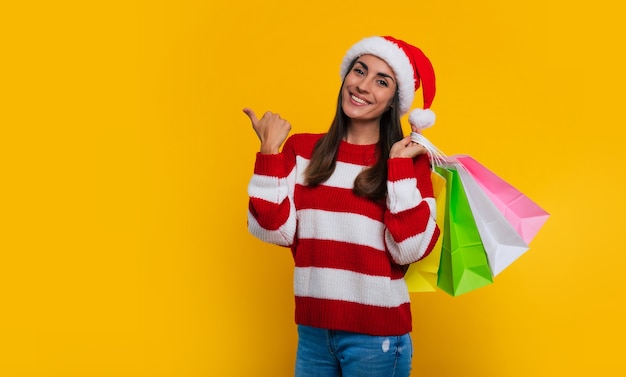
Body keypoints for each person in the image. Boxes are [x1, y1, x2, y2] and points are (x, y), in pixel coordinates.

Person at [243, 36, 440, 377]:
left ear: (394, 100)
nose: (363, 86)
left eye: (382, 81)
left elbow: (410, 250)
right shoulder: (302, 150)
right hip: (313, 333)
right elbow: (273, 229)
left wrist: (399, 166)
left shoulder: (408, 163)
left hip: (377, 339)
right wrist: (269, 153)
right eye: (359, 71)